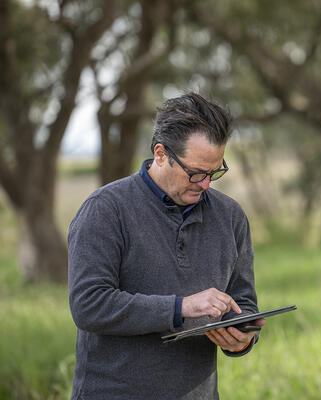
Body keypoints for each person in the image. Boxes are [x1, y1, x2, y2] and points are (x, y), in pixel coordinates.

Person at [68, 92, 265, 399]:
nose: (205, 185)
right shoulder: (105, 209)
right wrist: (181, 307)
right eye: (196, 173)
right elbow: (89, 305)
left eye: (215, 172)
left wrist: (241, 338)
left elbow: (243, 302)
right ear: (160, 154)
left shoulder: (231, 217)